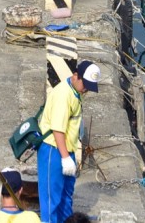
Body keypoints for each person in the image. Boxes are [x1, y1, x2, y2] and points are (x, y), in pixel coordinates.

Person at [37, 61, 102, 223]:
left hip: (67, 149)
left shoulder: (75, 91)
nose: (86, 89)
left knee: (66, 196)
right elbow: (58, 129)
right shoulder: (63, 95)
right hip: (54, 150)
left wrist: (69, 155)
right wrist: (65, 158)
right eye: (85, 84)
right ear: (75, 76)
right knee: (52, 199)